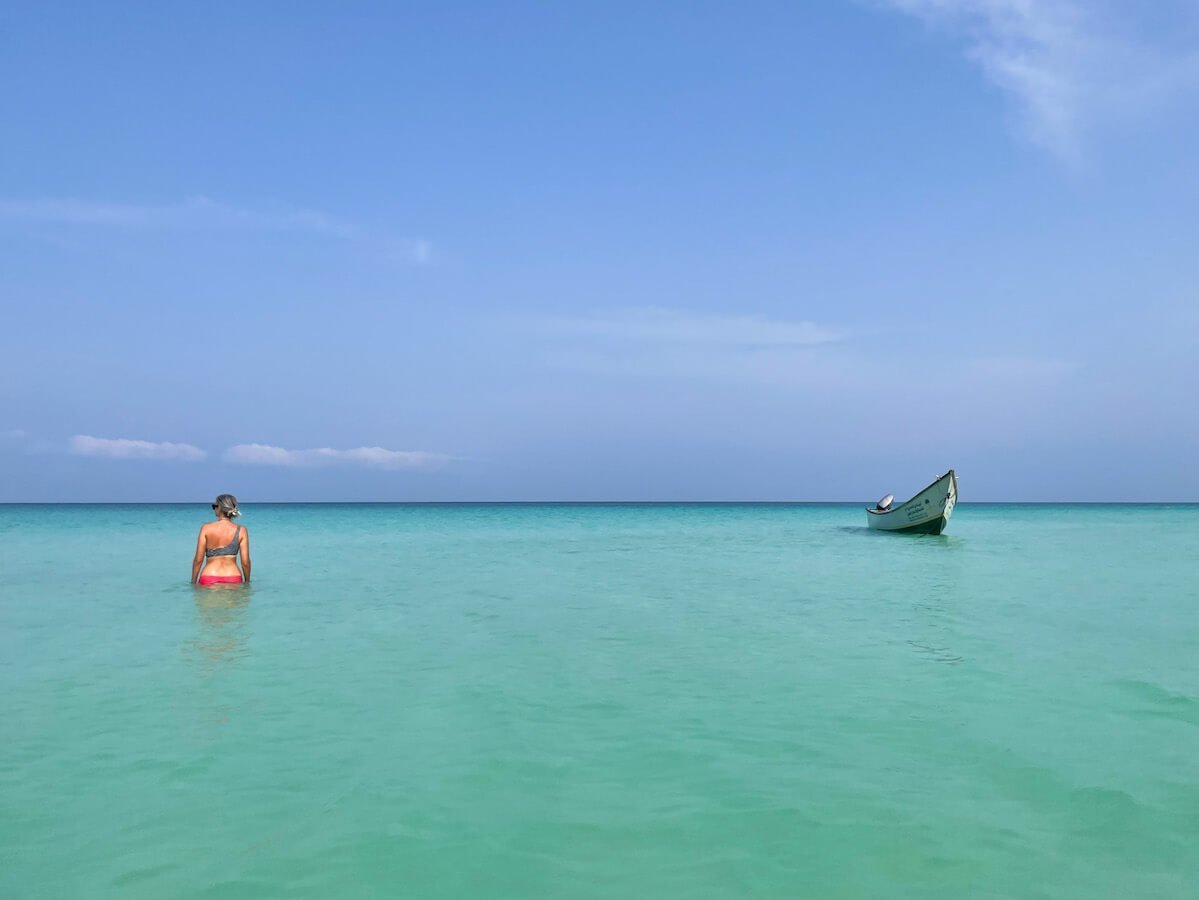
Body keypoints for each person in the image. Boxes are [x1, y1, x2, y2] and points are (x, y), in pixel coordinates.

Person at [192, 494, 251, 586]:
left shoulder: (206, 528)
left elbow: (198, 560)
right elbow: (245, 562)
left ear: (220, 508)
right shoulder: (241, 530)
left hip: (209, 576)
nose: (214, 509)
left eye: (215, 506)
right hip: (233, 576)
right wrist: (247, 583)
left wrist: (193, 582)